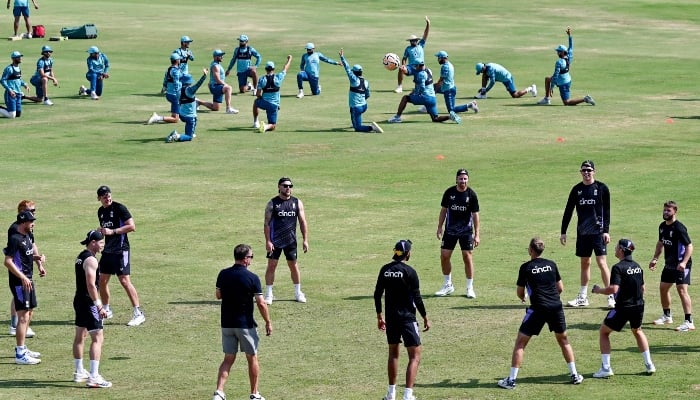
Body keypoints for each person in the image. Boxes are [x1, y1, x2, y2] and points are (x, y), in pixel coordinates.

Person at [497, 237, 583, 389]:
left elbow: (520, 292)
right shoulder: (551, 264)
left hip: (537, 309)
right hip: (556, 307)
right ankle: (575, 375)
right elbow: (560, 288)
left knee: (520, 343)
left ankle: (511, 380)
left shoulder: (526, 267)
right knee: (564, 341)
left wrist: (523, 297)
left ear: (530, 250)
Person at [213, 244, 271, 400]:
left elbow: (218, 295)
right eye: (251, 257)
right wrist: (268, 321)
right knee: (252, 357)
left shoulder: (223, 274)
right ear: (245, 259)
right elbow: (261, 303)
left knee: (228, 358)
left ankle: (219, 392)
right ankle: (254, 393)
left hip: (226, 323)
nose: (251, 260)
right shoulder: (252, 278)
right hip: (245, 325)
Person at [590, 238, 656, 378]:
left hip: (623, 308)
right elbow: (642, 288)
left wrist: (598, 290)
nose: (614, 249)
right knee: (637, 331)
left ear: (621, 250)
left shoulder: (618, 268)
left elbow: (614, 288)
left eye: (616, 247)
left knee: (603, 332)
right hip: (638, 306)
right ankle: (649, 364)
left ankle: (606, 367)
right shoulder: (638, 266)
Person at [374, 239, 430, 400]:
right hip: (407, 318)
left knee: (393, 354)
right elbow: (417, 298)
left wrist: (379, 316)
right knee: (415, 356)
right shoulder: (410, 272)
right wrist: (425, 317)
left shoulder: (385, 270)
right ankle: (408, 395)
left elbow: (377, 294)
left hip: (391, 319)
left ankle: (391, 394)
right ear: (408, 253)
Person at [561, 160, 614, 308]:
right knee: (585, 263)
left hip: (598, 233)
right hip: (583, 233)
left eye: (589, 170)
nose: (586, 173)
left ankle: (611, 296)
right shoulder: (576, 189)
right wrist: (563, 231)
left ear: (594, 171)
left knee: (602, 263)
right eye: (583, 170)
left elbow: (607, 212)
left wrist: (606, 231)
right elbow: (568, 211)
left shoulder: (602, 188)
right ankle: (582, 297)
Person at [95, 185, 145, 327]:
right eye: (104, 196)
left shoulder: (119, 208)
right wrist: (102, 233)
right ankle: (106, 309)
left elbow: (131, 226)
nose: (107, 198)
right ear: (99, 198)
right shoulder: (100, 212)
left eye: (109, 195)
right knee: (102, 280)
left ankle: (138, 313)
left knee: (124, 281)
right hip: (108, 250)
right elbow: (107, 230)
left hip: (121, 250)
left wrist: (113, 231)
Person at [72, 230, 113, 388]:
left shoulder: (80, 256)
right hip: (89, 303)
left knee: (79, 336)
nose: (102, 244)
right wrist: (99, 305)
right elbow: (91, 285)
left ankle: (78, 372)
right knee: (98, 338)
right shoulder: (91, 260)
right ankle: (94, 376)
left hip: (79, 300)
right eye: (101, 242)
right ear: (93, 242)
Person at [4, 210, 45, 365]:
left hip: (28, 279)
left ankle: (23, 348)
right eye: (30, 221)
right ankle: (20, 353)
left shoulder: (28, 236)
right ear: (23, 223)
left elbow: (26, 255)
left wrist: (38, 260)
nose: (33, 223)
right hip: (19, 282)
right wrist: (21, 277)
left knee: (29, 312)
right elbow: (8, 261)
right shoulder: (14, 239)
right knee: (23, 316)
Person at [649, 200, 694, 332]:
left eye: (668, 210)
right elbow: (660, 243)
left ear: (675, 211)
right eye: (664, 210)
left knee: (681, 290)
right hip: (669, 264)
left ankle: (689, 321)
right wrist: (655, 258)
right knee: (663, 288)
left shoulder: (679, 228)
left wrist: (684, 262)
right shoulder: (662, 226)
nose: (665, 212)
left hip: (681, 264)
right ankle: (667, 316)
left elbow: (689, 246)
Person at [435, 169, 480, 298]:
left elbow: (475, 215)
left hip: (466, 231)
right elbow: (443, 210)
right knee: (444, 255)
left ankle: (469, 288)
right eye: (461, 179)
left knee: (467, 257)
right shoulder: (449, 193)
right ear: (456, 179)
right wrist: (439, 227)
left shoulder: (471, 195)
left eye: (465, 179)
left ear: (468, 180)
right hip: (450, 230)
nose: (463, 181)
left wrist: (477, 234)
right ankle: (448, 285)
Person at [263, 177, 309, 304]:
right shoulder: (272, 204)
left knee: (293, 266)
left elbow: (302, 222)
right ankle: (269, 294)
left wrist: (305, 240)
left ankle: (298, 292)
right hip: (275, 241)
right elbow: (266, 224)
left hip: (290, 241)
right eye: (285, 185)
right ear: (279, 186)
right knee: (271, 266)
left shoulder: (297, 202)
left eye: (290, 186)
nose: (288, 188)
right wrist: (268, 241)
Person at [8, 200, 43, 338]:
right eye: (31, 211)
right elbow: (11, 258)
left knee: (29, 308)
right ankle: (14, 326)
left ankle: (21, 332)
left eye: (34, 211)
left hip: (27, 274)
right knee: (21, 305)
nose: (33, 214)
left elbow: (31, 246)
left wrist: (38, 262)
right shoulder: (15, 231)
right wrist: (22, 276)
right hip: (20, 275)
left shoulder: (28, 228)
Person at [537, 26, 595, 106]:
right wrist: (569, 36)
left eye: (559, 52)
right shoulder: (569, 57)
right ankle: (546, 99)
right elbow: (571, 47)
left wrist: (552, 88)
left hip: (563, 82)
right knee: (547, 79)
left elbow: (556, 75)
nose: (557, 53)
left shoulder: (559, 62)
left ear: (562, 52)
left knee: (567, 102)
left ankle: (585, 99)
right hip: (567, 80)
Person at [338, 48, 383, 133]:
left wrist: (342, 57)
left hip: (357, 107)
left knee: (357, 128)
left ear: (354, 73)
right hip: (364, 106)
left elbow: (347, 69)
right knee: (352, 110)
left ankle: (371, 128)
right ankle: (355, 123)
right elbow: (368, 95)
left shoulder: (354, 80)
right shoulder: (366, 82)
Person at [165, 68, 209, 143]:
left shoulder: (179, 90)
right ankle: (177, 135)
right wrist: (204, 76)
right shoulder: (190, 90)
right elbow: (198, 84)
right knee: (189, 137)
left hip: (181, 115)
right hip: (189, 117)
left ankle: (190, 132)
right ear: (189, 82)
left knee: (195, 119)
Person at [433, 51, 478, 124]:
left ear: (443, 58)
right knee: (433, 89)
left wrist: (435, 87)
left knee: (451, 110)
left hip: (448, 90)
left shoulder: (445, 67)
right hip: (451, 87)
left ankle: (470, 105)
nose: (438, 59)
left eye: (439, 58)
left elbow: (441, 80)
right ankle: (427, 106)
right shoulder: (450, 64)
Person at [253, 57, 292, 134]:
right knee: (273, 125)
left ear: (265, 69)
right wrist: (289, 59)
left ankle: (255, 121)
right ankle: (266, 126)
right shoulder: (278, 77)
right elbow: (285, 69)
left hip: (264, 102)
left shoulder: (262, 79)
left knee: (255, 103)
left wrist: (261, 99)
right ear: (273, 69)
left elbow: (258, 94)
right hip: (274, 105)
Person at [395, 16, 430, 94]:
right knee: (401, 69)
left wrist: (428, 23)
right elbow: (404, 58)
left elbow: (425, 34)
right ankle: (399, 86)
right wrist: (404, 65)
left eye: (414, 40)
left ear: (417, 40)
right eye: (411, 41)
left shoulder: (421, 45)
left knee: (421, 82)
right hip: (411, 67)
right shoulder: (408, 48)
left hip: (420, 67)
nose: (412, 42)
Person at [199, 49, 238, 114]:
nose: (222, 57)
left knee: (215, 108)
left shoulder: (217, 64)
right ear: (215, 57)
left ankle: (198, 101)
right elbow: (217, 79)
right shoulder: (215, 66)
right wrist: (225, 84)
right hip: (215, 86)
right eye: (220, 56)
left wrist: (224, 75)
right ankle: (228, 108)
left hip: (216, 85)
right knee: (228, 88)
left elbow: (219, 77)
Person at [148, 53, 182, 125]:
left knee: (175, 116)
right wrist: (178, 93)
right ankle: (157, 118)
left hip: (169, 94)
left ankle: (172, 116)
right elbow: (176, 83)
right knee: (176, 119)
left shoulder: (169, 69)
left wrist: (164, 88)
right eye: (179, 59)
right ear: (177, 61)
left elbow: (165, 80)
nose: (180, 60)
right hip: (174, 95)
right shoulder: (176, 71)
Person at [0, 51, 30, 119]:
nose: (20, 58)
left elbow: (18, 79)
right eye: (18, 57)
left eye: (20, 57)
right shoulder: (9, 69)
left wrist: (24, 84)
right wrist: (10, 90)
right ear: (13, 59)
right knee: (12, 116)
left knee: (18, 114)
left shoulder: (18, 68)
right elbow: (2, 80)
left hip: (18, 94)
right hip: (11, 94)